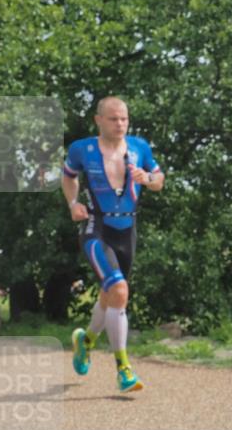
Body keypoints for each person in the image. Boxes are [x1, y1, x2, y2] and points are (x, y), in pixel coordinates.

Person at [62, 97, 164, 392]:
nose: (120, 124)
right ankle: (124, 369)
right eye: (113, 119)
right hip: (98, 228)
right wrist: (72, 203)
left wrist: (148, 178)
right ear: (98, 120)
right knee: (119, 289)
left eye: (124, 119)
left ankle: (87, 341)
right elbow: (68, 177)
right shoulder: (82, 149)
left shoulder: (139, 147)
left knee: (111, 297)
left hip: (127, 229)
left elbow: (160, 179)